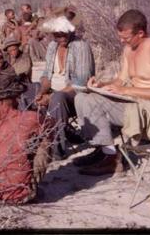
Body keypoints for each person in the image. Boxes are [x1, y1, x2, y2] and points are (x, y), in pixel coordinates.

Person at [74, 9, 150, 176]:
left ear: (140, 33)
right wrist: (101, 84)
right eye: (120, 37)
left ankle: (112, 159)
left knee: (92, 103)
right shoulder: (129, 49)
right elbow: (121, 80)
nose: (121, 41)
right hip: (134, 102)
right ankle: (104, 150)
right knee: (82, 97)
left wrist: (125, 90)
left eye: (126, 38)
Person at [20, 15, 95, 159]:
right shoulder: (52, 47)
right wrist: (42, 92)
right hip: (53, 90)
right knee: (27, 91)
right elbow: (47, 75)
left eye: (64, 32)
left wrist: (51, 96)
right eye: (57, 34)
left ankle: (55, 148)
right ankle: (31, 139)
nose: (61, 37)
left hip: (74, 94)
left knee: (58, 98)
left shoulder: (80, 46)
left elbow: (81, 82)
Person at [0, 73, 50, 204]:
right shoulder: (29, 118)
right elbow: (50, 125)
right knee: (45, 138)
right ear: (16, 96)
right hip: (17, 194)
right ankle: (29, 185)